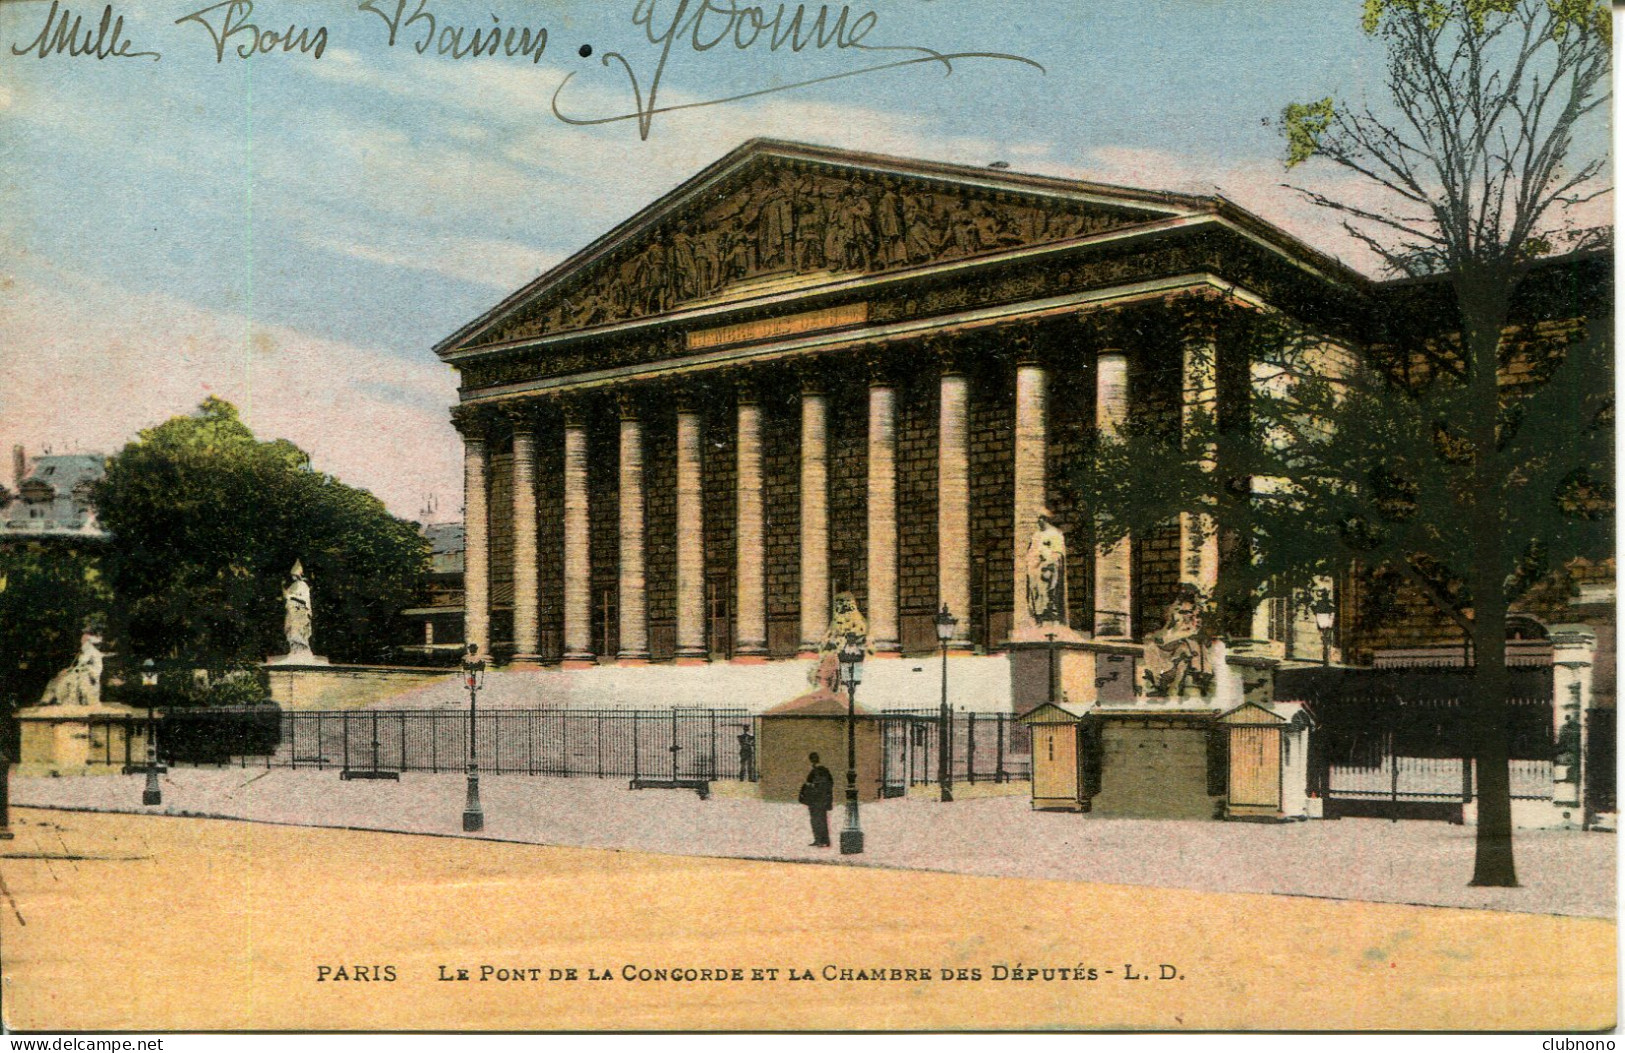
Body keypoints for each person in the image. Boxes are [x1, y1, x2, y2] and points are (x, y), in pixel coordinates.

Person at [799, 752, 834, 847]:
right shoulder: (824, 770)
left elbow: (815, 785)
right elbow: (829, 785)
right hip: (822, 799)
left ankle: (820, 839)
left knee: (817, 820)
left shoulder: (818, 771)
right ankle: (823, 840)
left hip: (816, 800)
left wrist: (809, 786)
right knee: (821, 819)